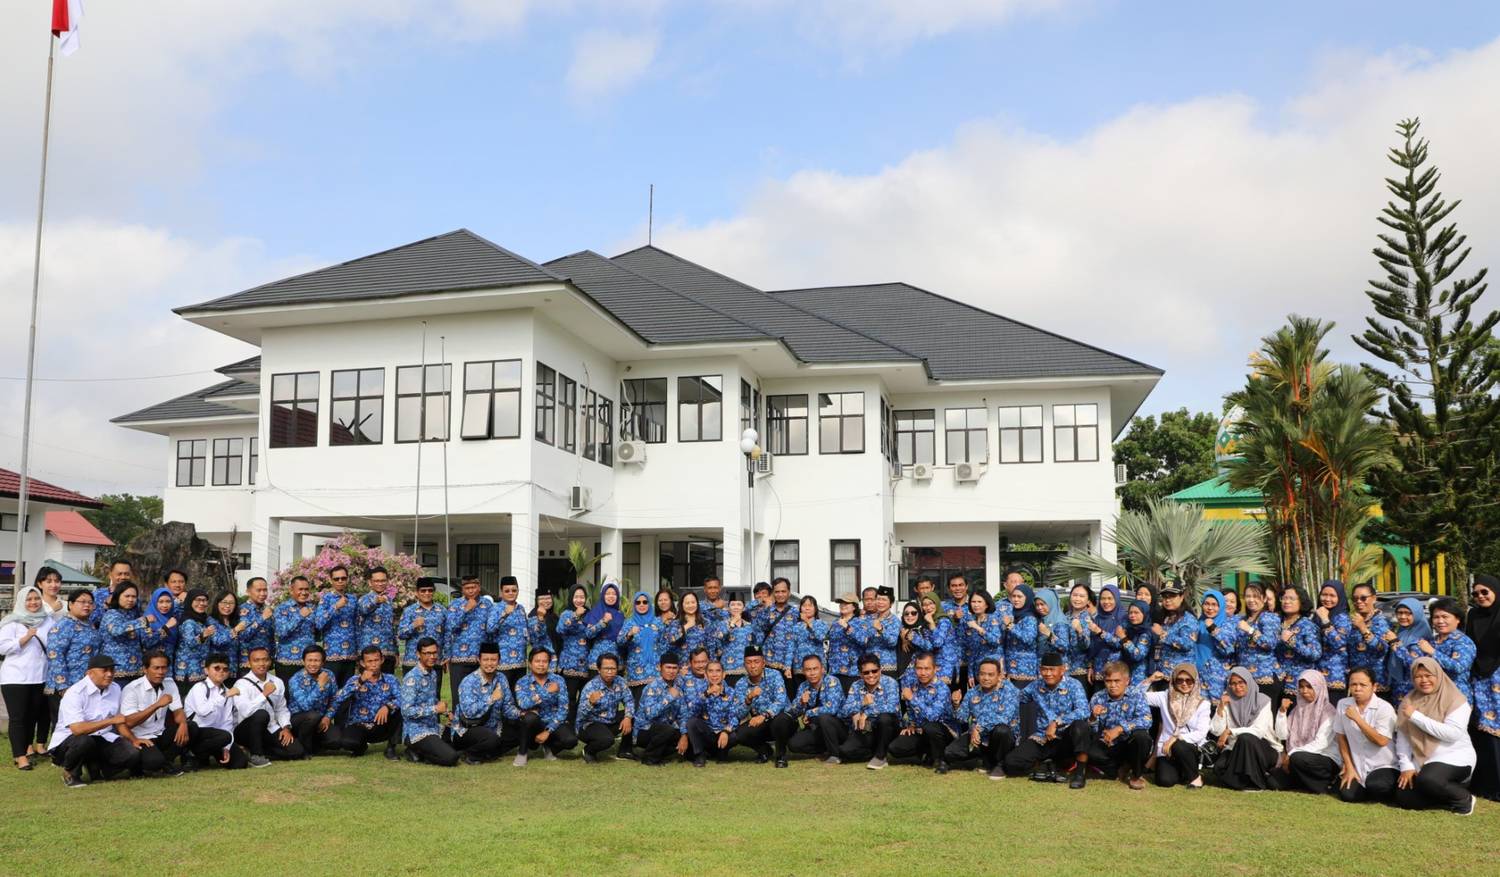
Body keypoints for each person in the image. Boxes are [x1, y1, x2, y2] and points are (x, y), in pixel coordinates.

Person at [1394, 657, 1477, 815]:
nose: (1424, 680)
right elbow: (1403, 736)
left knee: (1429, 779)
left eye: (1429, 675)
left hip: (1455, 757)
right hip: (1423, 760)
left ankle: (1463, 798)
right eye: (1418, 676)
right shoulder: (1408, 701)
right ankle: (1444, 794)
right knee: (1404, 796)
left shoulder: (1456, 700)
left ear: (1438, 675)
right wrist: (1407, 766)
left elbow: (1451, 734)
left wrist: (1416, 717)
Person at [47, 655, 137, 787]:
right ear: (89, 673)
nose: (109, 674)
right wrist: (109, 721)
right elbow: (77, 729)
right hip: (69, 741)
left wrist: (133, 739)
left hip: (101, 737)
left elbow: (119, 720)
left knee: (132, 754)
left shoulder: (115, 688)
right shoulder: (75, 693)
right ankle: (70, 773)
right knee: (84, 740)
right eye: (104, 670)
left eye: (112, 670)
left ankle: (98, 769)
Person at [1003, 652, 1090, 787]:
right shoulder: (1036, 685)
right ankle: (1044, 766)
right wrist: (1001, 684)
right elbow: (1017, 697)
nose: (1048, 673)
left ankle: (1079, 773)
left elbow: (1084, 711)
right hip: (1043, 738)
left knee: (1081, 726)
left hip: (1065, 739)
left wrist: (1056, 722)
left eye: (1052, 669)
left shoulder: (1074, 685)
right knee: (1011, 762)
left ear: (1062, 670)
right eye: (1044, 669)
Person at [1, 585, 54, 769]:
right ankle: (19, 756)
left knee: (32, 716)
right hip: (15, 677)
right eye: (29, 600)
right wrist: (24, 639)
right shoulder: (12, 622)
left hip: (39, 676)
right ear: (22, 602)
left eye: (36, 599)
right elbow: (2, 647)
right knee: (18, 718)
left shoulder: (47, 621)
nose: (33, 603)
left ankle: (26, 748)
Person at [118, 650, 190, 776]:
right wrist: (156, 705)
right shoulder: (132, 689)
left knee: (191, 728)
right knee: (154, 762)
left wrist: (183, 724)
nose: (160, 672)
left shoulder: (169, 683)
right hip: (141, 737)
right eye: (156, 668)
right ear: (145, 669)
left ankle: (165, 762)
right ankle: (153, 764)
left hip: (160, 733)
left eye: (163, 668)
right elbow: (129, 722)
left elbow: (178, 710)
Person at [944, 658, 1019, 779]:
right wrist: (956, 704)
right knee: (950, 752)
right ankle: (984, 760)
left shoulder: (1009, 690)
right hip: (979, 738)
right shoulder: (972, 692)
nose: (986, 678)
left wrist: (977, 728)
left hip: (1000, 738)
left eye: (990, 675)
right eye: (982, 674)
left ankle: (1000, 765)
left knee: (1002, 730)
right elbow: (962, 718)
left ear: (999, 675)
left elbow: (1004, 718)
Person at [1210, 666, 1282, 791]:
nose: (1237, 687)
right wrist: (1221, 708)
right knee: (1218, 768)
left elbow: (1259, 731)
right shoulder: (1228, 699)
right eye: (1233, 683)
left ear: (1248, 681)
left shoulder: (1262, 700)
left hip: (1263, 748)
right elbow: (1216, 731)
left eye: (1241, 682)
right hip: (1235, 748)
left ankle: (1255, 783)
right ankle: (1262, 775)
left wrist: (1230, 731)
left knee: (1246, 738)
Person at [1333, 666, 1399, 804]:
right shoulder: (1342, 704)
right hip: (1357, 765)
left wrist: (1358, 719)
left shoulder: (1384, 708)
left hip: (1383, 765)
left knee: (1377, 785)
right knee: (1348, 795)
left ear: (1374, 687)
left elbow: (1381, 741)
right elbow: (1341, 737)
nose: (1357, 689)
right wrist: (1349, 767)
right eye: (1353, 685)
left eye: (1363, 685)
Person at [1083, 661, 1152, 790]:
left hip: (1129, 742)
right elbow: (1093, 729)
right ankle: (1119, 769)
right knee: (1088, 750)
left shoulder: (1137, 695)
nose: (1112, 685)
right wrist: (1092, 718)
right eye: (1108, 681)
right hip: (1108, 744)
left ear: (1127, 681)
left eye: (1117, 681)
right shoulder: (1098, 697)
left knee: (1142, 737)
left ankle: (1136, 775)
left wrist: (1120, 729)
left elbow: (1146, 720)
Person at [326, 646, 402, 760]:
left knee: (400, 711)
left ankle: (391, 748)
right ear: (362, 663)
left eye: (376, 660)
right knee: (347, 743)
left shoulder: (391, 679)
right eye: (369, 661)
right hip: (360, 724)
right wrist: (360, 681)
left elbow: (403, 698)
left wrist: (388, 706)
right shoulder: (354, 680)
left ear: (382, 660)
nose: (373, 664)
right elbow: (339, 698)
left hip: (381, 723)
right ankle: (361, 747)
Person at [1271, 669, 1341, 793]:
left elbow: (1321, 744)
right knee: (1273, 780)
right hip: (1298, 758)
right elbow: (1282, 735)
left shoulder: (1329, 712)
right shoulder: (1297, 710)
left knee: (1299, 758)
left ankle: (1324, 785)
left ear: (1319, 687)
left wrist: (1292, 754)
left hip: (1324, 759)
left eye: (1309, 687)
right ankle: (1305, 782)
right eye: (1301, 687)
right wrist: (1282, 712)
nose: (1304, 691)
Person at [233, 646, 305, 765]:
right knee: (261, 714)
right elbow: (245, 711)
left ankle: (257, 752)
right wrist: (264, 694)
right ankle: (257, 755)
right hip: (247, 730)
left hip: (270, 728)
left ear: (270, 661)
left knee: (297, 752)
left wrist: (286, 728)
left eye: (265, 659)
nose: (262, 663)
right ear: (249, 663)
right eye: (256, 660)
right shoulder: (241, 684)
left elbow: (281, 708)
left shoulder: (277, 682)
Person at [451, 642, 522, 764]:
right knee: (492, 739)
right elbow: (469, 713)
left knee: (522, 731)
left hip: (494, 727)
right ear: (479, 660)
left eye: (493, 660)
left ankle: (487, 752)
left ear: (499, 660)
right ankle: (470, 754)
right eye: (486, 659)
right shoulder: (469, 681)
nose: (489, 663)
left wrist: (522, 714)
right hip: (468, 729)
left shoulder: (501, 678)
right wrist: (491, 699)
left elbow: (507, 708)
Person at [888, 652, 959, 772]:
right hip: (921, 731)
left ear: (935, 669)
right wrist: (910, 725)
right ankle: (927, 753)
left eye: (927, 668)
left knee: (930, 727)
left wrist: (912, 698)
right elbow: (910, 711)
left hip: (943, 732)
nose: (923, 673)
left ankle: (941, 759)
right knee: (895, 748)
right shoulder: (914, 686)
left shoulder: (942, 688)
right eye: (919, 668)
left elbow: (932, 716)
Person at [1145, 663, 1211, 789]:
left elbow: (1201, 732)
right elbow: (1137, 696)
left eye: (1189, 680)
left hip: (1190, 748)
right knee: (1164, 781)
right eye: (1179, 680)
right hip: (1166, 749)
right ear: (1174, 681)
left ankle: (1196, 778)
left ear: (1195, 681)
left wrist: (1176, 738)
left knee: (1179, 746)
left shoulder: (1203, 703)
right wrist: (1149, 680)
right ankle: (1183, 772)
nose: (1184, 684)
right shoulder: (1164, 697)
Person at [398, 636, 459, 766]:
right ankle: (415, 751)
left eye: (434, 652)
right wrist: (435, 709)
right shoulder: (412, 678)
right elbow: (406, 711)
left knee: (460, 736)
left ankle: (424, 750)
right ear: (418, 654)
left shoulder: (433, 673)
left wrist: (447, 713)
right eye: (427, 653)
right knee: (452, 757)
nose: (432, 656)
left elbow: (431, 699)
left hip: (433, 727)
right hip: (417, 731)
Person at [45, 589, 100, 733]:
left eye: (90, 603)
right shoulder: (63, 626)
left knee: (84, 723)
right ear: (70, 604)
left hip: (86, 684)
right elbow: (54, 655)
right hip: (65, 686)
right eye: (82, 602)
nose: (86, 605)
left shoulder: (90, 625)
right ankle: (60, 755)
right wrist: (63, 685)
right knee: (65, 726)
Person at [182, 653, 249, 770]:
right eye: (216, 668)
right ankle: (192, 754)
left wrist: (227, 748)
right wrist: (224, 695)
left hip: (217, 736)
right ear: (206, 670)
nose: (221, 671)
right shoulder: (200, 687)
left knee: (240, 763)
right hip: (197, 733)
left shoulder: (227, 691)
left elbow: (227, 722)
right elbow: (203, 711)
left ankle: (203, 755)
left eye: (225, 669)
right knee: (194, 728)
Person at [513, 646, 579, 764]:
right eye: (537, 661)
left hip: (553, 722)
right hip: (533, 724)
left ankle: (548, 747)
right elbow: (523, 704)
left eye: (545, 661)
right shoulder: (522, 682)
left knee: (571, 741)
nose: (541, 664)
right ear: (530, 663)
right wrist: (546, 692)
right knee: (529, 717)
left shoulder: (558, 680)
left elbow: (563, 709)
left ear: (549, 663)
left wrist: (548, 731)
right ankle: (522, 753)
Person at [836, 655, 901, 769]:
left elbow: (893, 707)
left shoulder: (890, 683)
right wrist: (862, 703)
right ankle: (873, 752)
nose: (871, 675)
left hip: (888, 728)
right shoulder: (856, 685)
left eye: (874, 671)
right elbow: (844, 711)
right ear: (860, 674)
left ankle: (880, 757)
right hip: (866, 729)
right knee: (843, 751)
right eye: (866, 672)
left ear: (880, 670)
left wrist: (867, 712)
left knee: (884, 718)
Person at [777, 653, 845, 763]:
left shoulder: (832, 681)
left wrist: (809, 713)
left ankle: (835, 755)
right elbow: (793, 711)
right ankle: (825, 750)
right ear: (803, 671)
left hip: (837, 727)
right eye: (808, 669)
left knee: (824, 718)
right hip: (817, 729)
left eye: (815, 669)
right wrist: (801, 703)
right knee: (793, 744)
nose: (812, 673)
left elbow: (832, 709)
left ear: (822, 669)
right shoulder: (803, 686)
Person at [1469, 574, 1500, 801]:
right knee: (1482, 728)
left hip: (1498, 675)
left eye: (1485, 592)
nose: (1480, 597)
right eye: (1476, 593)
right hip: (1479, 677)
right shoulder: (1473, 615)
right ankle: (1485, 784)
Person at [730, 645, 789, 765]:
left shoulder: (775, 675)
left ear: (763, 663)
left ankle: (781, 756)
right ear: (744, 665)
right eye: (749, 662)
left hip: (781, 721)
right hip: (761, 723)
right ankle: (764, 751)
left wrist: (764, 716)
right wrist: (748, 699)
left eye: (756, 662)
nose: (752, 666)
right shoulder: (741, 684)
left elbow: (781, 701)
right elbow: (738, 713)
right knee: (740, 733)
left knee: (780, 720)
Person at [632, 651, 693, 766]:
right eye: (668, 667)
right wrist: (669, 697)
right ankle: (649, 759)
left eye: (674, 668)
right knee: (667, 730)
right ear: (660, 668)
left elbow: (683, 714)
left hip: (665, 730)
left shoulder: (678, 688)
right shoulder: (652, 687)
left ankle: (657, 753)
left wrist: (684, 735)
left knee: (688, 735)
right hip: (645, 731)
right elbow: (650, 714)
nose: (671, 671)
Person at [1414, 597, 1476, 702]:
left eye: (1445, 616)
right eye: (1436, 617)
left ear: (1457, 619)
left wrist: (1432, 652)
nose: (1440, 621)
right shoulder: (1432, 641)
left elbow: (1459, 667)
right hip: (1432, 696)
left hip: (1455, 697)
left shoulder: (1463, 641)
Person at [574, 652, 633, 763]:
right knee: (607, 740)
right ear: (598, 669)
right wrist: (590, 703)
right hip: (590, 724)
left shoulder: (620, 682)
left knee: (634, 717)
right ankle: (588, 751)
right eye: (606, 669)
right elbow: (580, 716)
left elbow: (629, 700)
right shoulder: (590, 687)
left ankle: (625, 750)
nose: (610, 672)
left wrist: (628, 717)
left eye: (613, 668)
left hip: (611, 720)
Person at [557, 585, 601, 720]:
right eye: (576, 597)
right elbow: (561, 629)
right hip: (569, 664)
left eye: (582, 597)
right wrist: (576, 615)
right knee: (569, 698)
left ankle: (579, 726)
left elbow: (591, 634)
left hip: (585, 664)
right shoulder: (567, 613)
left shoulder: (590, 615)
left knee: (583, 698)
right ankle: (567, 725)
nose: (579, 600)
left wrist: (602, 623)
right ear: (571, 598)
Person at [287, 645, 338, 756]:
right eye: (309, 660)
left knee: (336, 741)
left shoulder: (329, 674)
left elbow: (335, 699)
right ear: (303, 661)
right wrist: (320, 686)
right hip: (299, 720)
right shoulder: (295, 679)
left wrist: (328, 717)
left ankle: (316, 744)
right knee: (312, 716)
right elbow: (305, 706)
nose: (313, 664)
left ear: (323, 662)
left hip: (321, 719)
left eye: (317, 660)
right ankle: (305, 749)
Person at [1235, 583, 1283, 701]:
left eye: (1256, 596)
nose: (1251, 600)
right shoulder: (1243, 619)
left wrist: (1250, 630)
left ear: (1265, 598)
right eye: (1248, 596)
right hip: (1245, 678)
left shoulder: (1269, 618)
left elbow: (1270, 643)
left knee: (1264, 717)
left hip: (1265, 678)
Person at [446, 576, 492, 696]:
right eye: (467, 588)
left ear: (479, 587)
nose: (471, 591)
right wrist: (465, 610)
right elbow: (450, 627)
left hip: (481, 658)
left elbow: (491, 630)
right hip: (459, 657)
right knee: (459, 694)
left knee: (481, 694)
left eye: (473, 587)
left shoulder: (487, 604)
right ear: (462, 589)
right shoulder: (455, 604)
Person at [314, 565, 360, 683]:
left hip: (350, 655)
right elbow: (318, 623)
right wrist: (335, 607)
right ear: (330, 580)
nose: (340, 581)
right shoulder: (326, 599)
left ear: (347, 579)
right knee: (331, 691)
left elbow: (357, 625)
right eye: (336, 579)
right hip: (332, 654)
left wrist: (359, 651)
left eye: (343, 578)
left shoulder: (353, 599)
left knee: (347, 692)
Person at [1346, 582, 1391, 694]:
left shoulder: (1381, 621)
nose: (1359, 602)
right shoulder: (1354, 621)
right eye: (1355, 599)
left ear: (1374, 598)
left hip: (1377, 685)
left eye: (1363, 598)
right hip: (1357, 684)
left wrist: (1363, 628)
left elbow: (1382, 648)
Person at [1384, 597, 1432, 702]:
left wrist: (1396, 643)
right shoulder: (1402, 632)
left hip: (1413, 689)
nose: (1402, 616)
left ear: (1417, 614)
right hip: (1397, 688)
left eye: (1408, 613)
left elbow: (1416, 665)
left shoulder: (1422, 637)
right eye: (1399, 613)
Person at [1276, 586, 1322, 694]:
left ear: (1301, 601)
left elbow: (1315, 654)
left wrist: (1293, 642)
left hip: (1298, 685)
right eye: (1284, 598)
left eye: (1291, 599)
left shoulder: (1307, 625)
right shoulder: (1275, 622)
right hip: (1277, 682)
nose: (1286, 601)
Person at [779, 595, 829, 692]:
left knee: (818, 693)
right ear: (800, 608)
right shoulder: (796, 626)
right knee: (801, 694)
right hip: (799, 668)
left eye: (810, 605)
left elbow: (821, 637)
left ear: (815, 608)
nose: (807, 608)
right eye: (804, 605)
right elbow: (790, 647)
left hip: (816, 668)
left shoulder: (821, 624)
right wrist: (788, 667)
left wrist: (808, 622)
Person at [273, 576, 318, 685]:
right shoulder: (281, 608)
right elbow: (281, 632)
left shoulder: (312, 608)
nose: (304, 592)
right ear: (291, 590)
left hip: (309, 663)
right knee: (288, 697)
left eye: (306, 589)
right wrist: (300, 616)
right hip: (287, 662)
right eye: (300, 589)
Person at [486, 575, 530, 683]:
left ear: (518, 591)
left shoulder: (521, 609)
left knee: (519, 694)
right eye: (507, 591)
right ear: (501, 592)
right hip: (504, 662)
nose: (511, 593)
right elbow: (490, 629)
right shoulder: (496, 609)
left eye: (514, 590)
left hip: (520, 662)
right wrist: (504, 614)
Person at [1313, 581, 1352, 700]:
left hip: (1336, 677)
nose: (1327, 599)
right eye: (1324, 595)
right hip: (1317, 675)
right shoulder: (1317, 616)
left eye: (1332, 596)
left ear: (1339, 597)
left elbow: (1338, 643)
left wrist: (1325, 620)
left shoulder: (1342, 617)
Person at [398, 579, 446, 674]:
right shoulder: (409, 611)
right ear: (417, 593)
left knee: (434, 689)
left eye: (430, 590)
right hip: (413, 661)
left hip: (435, 661)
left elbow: (447, 635)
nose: (427, 593)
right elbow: (401, 634)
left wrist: (446, 656)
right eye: (423, 591)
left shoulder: (442, 611)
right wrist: (413, 626)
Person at [173, 589, 215, 697]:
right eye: (197, 600)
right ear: (190, 601)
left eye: (204, 600)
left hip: (200, 669)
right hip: (187, 672)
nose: (201, 603)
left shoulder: (202, 619)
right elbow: (190, 643)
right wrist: (203, 635)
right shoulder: (188, 622)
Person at [356, 566, 398, 674]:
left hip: (388, 652)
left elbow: (391, 627)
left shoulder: (389, 600)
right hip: (370, 654)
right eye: (377, 581)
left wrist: (396, 651)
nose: (380, 583)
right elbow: (364, 610)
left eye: (383, 580)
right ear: (370, 582)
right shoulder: (364, 599)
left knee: (387, 687)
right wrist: (376, 602)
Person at [961, 590, 1005, 688]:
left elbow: (995, 641)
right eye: (973, 602)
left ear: (986, 604)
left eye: (979, 602)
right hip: (978, 670)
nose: (976, 605)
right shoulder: (970, 621)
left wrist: (978, 628)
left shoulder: (992, 619)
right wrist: (970, 674)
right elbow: (970, 650)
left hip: (993, 669)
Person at [851, 587, 898, 675]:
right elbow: (863, 640)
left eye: (884, 600)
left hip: (887, 666)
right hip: (869, 667)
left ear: (891, 603)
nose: (880, 602)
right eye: (879, 599)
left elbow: (893, 642)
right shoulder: (869, 618)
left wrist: (881, 629)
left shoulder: (894, 620)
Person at [1197, 588, 1234, 699]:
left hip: (1217, 679)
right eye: (1206, 604)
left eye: (1214, 604)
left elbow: (1228, 649)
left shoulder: (1227, 625)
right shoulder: (1198, 623)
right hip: (1197, 677)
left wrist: (1213, 629)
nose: (1210, 608)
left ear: (1221, 606)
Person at [756, 578, 797, 677]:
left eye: (783, 591)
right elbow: (759, 628)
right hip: (768, 663)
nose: (780, 594)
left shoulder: (796, 612)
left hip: (789, 665)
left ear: (789, 593)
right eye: (777, 592)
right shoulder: (766, 610)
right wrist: (766, 608)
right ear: (773, 594)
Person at [1002, 584, 1040, 687]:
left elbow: (1029, 639)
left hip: (1025, 671)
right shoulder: (1013, 615)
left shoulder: (1030, 618)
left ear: (1027, 598)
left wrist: (1011, 626)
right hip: (1011, 669)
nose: (1016, 599)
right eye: (1014, 596)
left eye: (1019, 597)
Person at [1155, 585, 1198, 674]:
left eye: (1172, 596)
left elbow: (1187, 644)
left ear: (1181, 597)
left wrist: (1163, 634)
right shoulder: (1166, 617)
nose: (1167, 600)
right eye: (1165, 596)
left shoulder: (1188, 619)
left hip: (1181, 676)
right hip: (1163, 673)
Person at [585, 581, 626, 673]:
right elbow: (588, 634)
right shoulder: (595, 612)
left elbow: (623, 638)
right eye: (607, 594)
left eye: (614, 594)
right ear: (603, 595)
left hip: (616, 662)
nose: (611, 596)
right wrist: (603, 622)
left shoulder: (620, 615)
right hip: (597, 662)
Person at [1113, 599, 1156, 685]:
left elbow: (1137, 655)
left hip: (1138, 679)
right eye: (1130, 612)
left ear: (1144, 614)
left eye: (1136, 613)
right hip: (1125, 675)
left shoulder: (1145, 633)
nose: (1132, 615)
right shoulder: (1129, 629)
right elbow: (1116, 644)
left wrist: (1123, 638)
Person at [237, 576, 275, 672]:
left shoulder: (267, 609)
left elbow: (271, 636)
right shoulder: (242, 610)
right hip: (247, 663)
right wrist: (262, 618)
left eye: (265, 590)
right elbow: (242, 635)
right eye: (259, 590)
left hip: (265, 662)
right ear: (248, 591)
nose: (263, 593)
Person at [715, 596, 758, 679]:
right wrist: (732, 623)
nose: (736, 607)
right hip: (727, 670)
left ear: (743, 607)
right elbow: (719, 638)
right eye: (733, 604)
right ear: (728, 607)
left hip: (746, 670)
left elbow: (754, 646)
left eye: (739, 604)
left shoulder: (749, 626)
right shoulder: (722, 624)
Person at [1063, 584, 1094, 693]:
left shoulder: (1090, 619)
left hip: (1081, 672)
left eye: (1081, 596)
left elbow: (1087, 646)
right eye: (1075, 595)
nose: (1077, 599)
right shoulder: (1064, 617)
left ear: (1088, 600)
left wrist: (1080, 631)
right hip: (1063, 671)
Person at [827, 595, 862, 691]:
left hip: (851, 671)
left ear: (854, 606)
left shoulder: (859, 622)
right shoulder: (835, 622)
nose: (843, 605)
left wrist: (847, 627)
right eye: (841, 603)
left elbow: (863, 641)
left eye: (846, 603)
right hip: (834, 670)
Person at [208, 591, 243, 676]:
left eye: (231, 603)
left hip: (233, 669)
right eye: (224, 602)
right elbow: (217, 641)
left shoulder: (235, 622)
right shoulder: (210, 620)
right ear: (217, 603)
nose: (228, 606)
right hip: (218, 670)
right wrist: (235, 630)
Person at [90, 559, 133, 627]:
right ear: (110, 575)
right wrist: (106, 606)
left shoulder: (135, 597)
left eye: (127, 574)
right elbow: (90, 621)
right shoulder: (98, 595)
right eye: (119, 574)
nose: (123, 577)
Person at [527, 586, 561, 658]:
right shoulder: (533, 616)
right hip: (542, 659)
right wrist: (540, 618)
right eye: (542, 598)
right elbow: (535, 636)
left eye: (548, 598)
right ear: (537, 601)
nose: (546, 601)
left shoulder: (554, 616)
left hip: (556, 658)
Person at [895, 601, 923, 678]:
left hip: (921, 675)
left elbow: (929, 648)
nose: (910, 616)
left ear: (919, 614)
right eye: (906, 613)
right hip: (903, 675)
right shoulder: (900, 631)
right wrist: (903, 639)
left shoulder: (924, 630)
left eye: (913, 613)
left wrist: (912, 638)